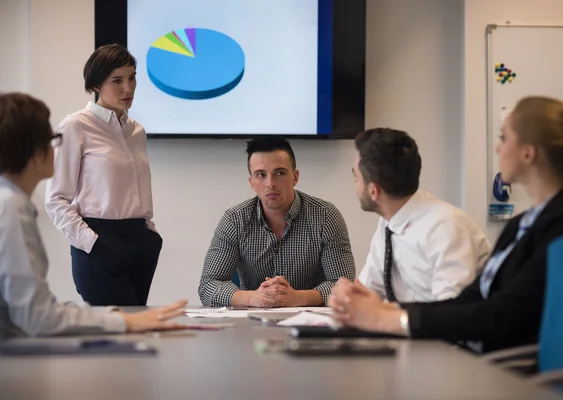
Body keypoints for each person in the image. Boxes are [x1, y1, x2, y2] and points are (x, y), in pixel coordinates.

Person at [330, 96, 563, 353]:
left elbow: (501, 316)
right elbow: (470, 301)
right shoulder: (524, 224)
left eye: (504, 138)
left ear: (529, 154)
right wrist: (381, 311)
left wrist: (389, 319)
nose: (497, 148)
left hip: (508, 371)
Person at [0, 92, 187, 339]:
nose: (57, 148)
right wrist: (121, 320)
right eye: (52, 140)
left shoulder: (9, 203)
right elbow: (37, 317)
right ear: (35, 154)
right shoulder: (12, 209)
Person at [45, 44, 161, 307]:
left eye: (132, 78)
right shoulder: (76, 126)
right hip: (100, 241)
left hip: (139, 242)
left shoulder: (136, 131)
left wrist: (149, 234)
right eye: (117, 80)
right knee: (119, 335)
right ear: (97, 84)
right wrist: (92, 243)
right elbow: (55, 199)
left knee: (136, 329)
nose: (128, 89)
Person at [199, 136, 356, 307]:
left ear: (295, 177)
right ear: (251, 182)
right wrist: (254, 298)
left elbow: (344, 286)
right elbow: (208, 286)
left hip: (311, 322)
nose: (270, 184)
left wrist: (298, 298)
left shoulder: (326, 216)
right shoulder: (234, 220)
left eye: (279, 173)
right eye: (261, 175)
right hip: (251, 322)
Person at [352, 128, 491, 303]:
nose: (354, 183)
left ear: (374, 191)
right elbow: (369, 290)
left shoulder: (446, 227)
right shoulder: (388, 223)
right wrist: (349, 296)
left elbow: (451, 314)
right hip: (406, 327)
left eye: (355, 177)